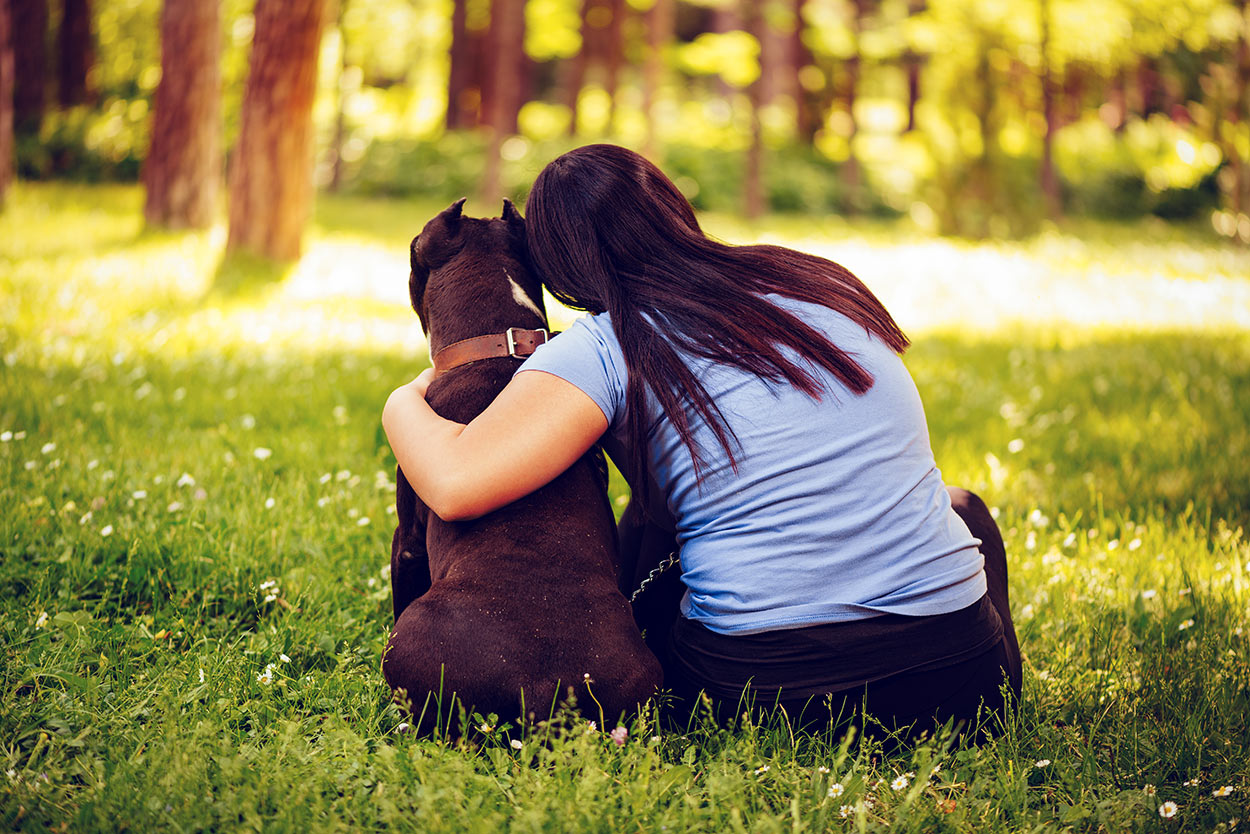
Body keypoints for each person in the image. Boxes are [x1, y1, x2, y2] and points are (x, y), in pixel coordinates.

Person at [382, 144, 1022, 735]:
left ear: (558, 269)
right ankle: (1002, 701)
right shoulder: (815, 286)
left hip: (771, 691)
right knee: (961, 506)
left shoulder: (608, 345)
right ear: (673, 209)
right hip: (964, 679)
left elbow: (458, 484)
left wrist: (401, 401)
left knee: (668, 543)